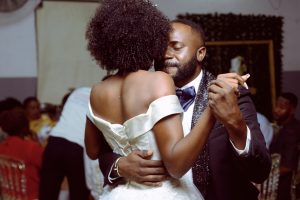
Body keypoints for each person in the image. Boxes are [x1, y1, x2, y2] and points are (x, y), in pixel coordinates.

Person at [84, 1, 249, 199]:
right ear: (150, 40)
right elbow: (176, 167)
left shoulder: (97, 91)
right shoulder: (158, 81)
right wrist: (212, 110)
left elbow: (93, 151)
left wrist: (121, 161)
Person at [39, 87, 93, 200]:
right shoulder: (103, 98)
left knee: (47, 193)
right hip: (77, 146)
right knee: (78, 193)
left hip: (55, 141)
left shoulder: (79, 91)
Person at [0, 109, 44, 199]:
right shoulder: (32, 148)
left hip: (8, 197)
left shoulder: (1, 148)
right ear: (25, 127)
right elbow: (49, 170)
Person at [270, 92, 300, 200]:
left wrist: (264, 176)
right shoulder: (282, 126)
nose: (276, 110)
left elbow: (287, 166)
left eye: (281, 107)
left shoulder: (291, 130)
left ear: (292, 110)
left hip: (283, 189)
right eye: (276, 105)